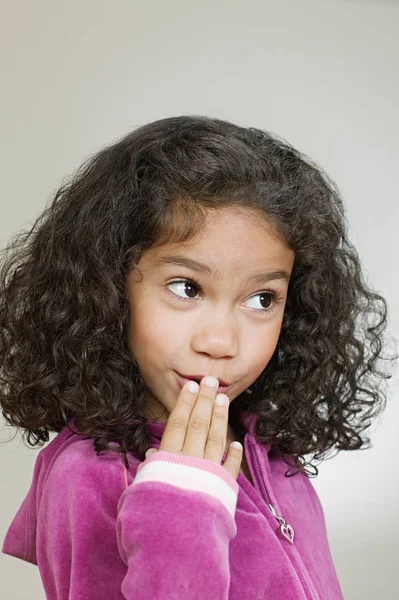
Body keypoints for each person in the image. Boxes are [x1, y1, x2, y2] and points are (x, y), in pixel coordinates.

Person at [1, 115, 396, 600]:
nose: (221, 341)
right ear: (110, 289)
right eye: (187, 288)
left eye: (262, 299)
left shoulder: (266, 449)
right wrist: (180, 509)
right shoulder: (90, 477)